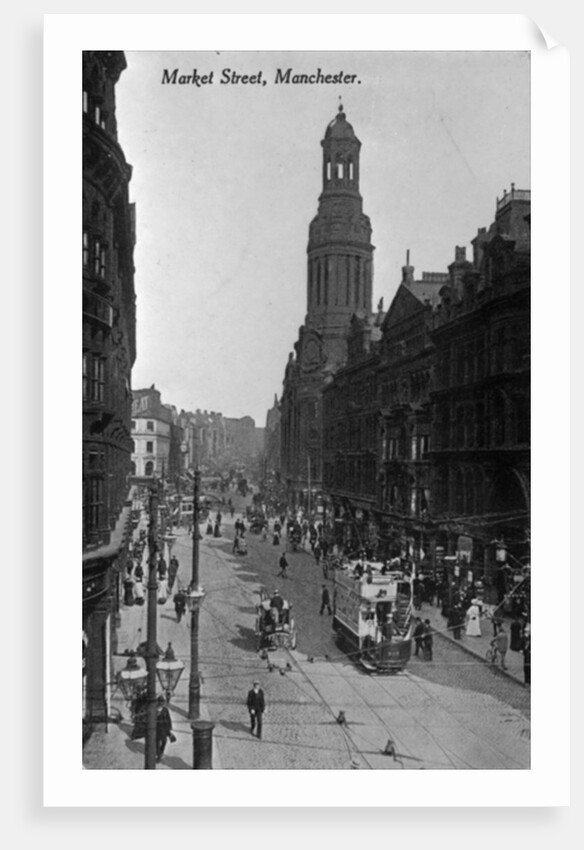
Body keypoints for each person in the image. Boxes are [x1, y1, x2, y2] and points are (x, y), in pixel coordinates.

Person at [155, 695, 173, 762]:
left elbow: (168, 719)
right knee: (157, 742)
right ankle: (159, 755)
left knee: (164, 741)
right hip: (157, 729)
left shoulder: (165, 710)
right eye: (160, 702)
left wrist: (169, 728)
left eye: (162, 702)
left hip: (164, 729)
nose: (161, 703)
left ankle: (161, 752)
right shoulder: (154, 710)